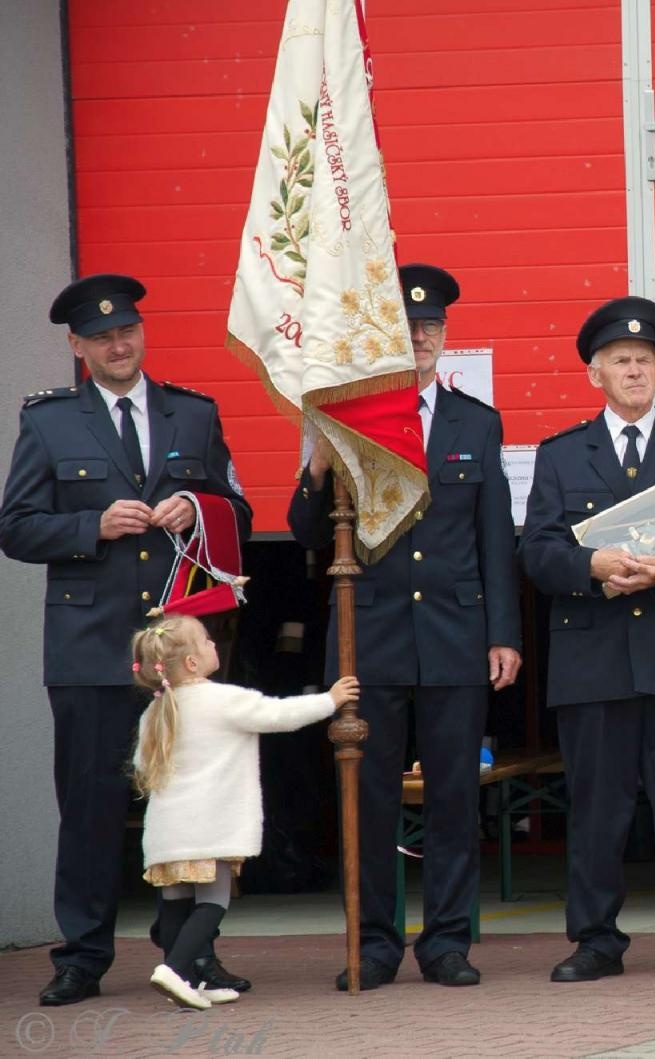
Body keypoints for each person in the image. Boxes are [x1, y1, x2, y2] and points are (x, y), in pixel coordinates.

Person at [0, 274, 253, 1007]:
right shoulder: (50, 422)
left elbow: (236, 506)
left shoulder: (192, 414)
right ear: (77, 347)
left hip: (179, 651)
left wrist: (198, 505)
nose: (119, 344)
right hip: (92, 648)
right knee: (91, 807)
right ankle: (82, 955)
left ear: (142, 333)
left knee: (191, 803)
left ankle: (189, 953)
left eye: (129, 331)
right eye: (102, 336)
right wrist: (91, 526)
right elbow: (14, 525)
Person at [288, 263, 521, 991]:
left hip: (454, 636)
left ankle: (447, 942)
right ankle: (376, 943)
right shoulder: (346, 417)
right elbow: (305, 532)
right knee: (369, 798)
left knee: (454, 797)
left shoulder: (474, 423)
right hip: (370, 636)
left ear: (444, 338)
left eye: (431, 328)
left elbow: (494, 540)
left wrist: (504, 634)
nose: (419, 338)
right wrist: (318, 463)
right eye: (408, 327)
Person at [520, 295, 655, 983]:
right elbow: (538, 554)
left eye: (645, 360)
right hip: (594, 658)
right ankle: (595, 941)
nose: (635, 370)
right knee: (596, 809)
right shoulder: (559, 456)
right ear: (595, 373)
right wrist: (593, 564)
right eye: (621, 360)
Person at [130, 614, 357, 1009]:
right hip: (210, 827)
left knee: (175, 903)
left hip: (169, 831)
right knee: (214, 901)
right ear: (191, 664)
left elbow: (141, 767)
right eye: (205, 641)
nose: (213, 644)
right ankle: (174, 970)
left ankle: (181, 979)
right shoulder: (223, 700)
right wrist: (330, 700)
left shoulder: (154, 712)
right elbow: (278, 715)